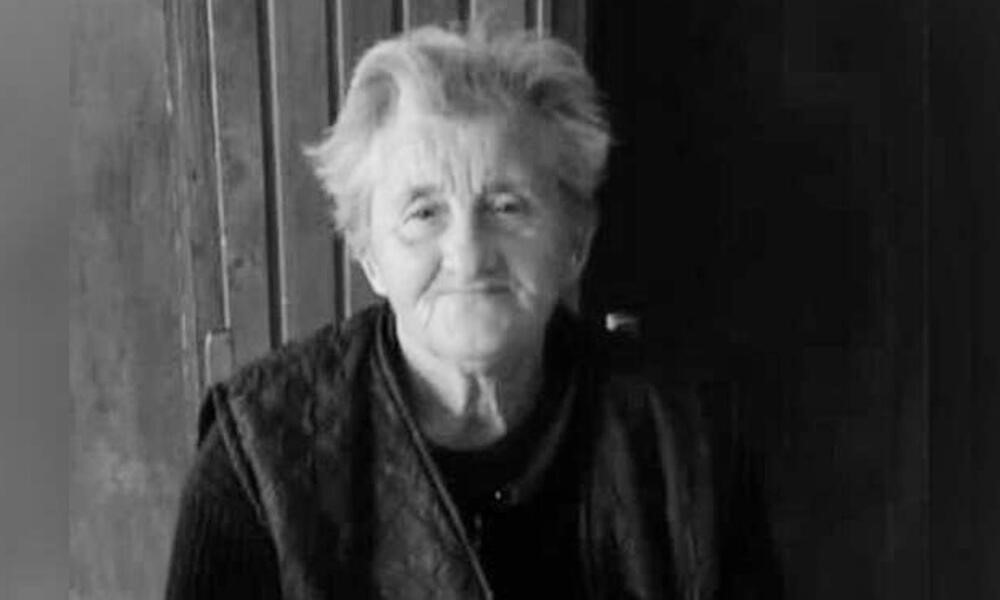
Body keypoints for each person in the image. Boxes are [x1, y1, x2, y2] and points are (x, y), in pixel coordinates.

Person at [165, 22, 781, 599]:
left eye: (508, 206)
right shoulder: (259, 456)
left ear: (576, 241)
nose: (468, 255)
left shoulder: (686, 440)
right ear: (369, 255)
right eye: (424, 213)